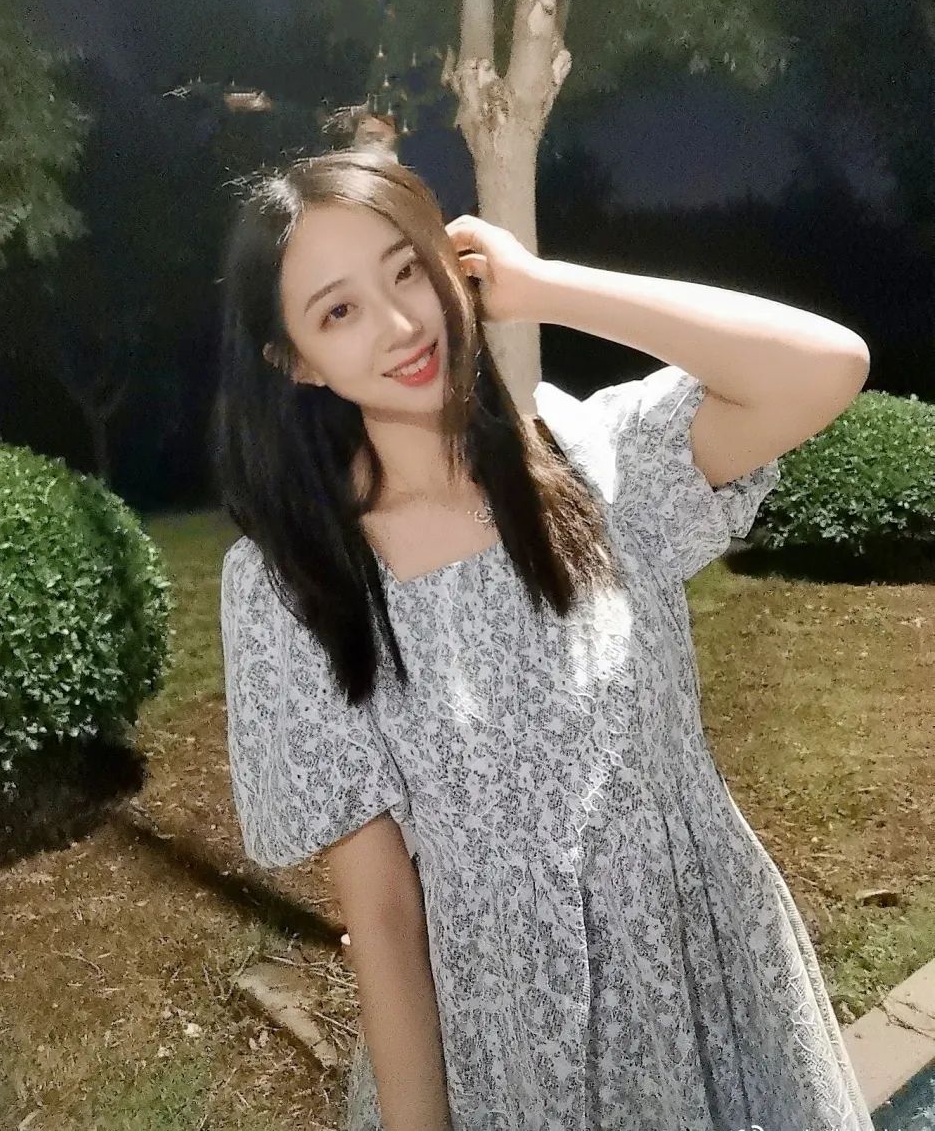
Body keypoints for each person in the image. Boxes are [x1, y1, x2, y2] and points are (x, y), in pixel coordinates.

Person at [213, 147, 874, 1131]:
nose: (400, 324)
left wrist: (545, 287)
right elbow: (383, 914)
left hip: (711, 984)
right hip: (511, 1045)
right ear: (296, 359)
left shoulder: (599, 463)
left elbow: (827, 366)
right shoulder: (293, 585)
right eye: (339, 310)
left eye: (407, 269)